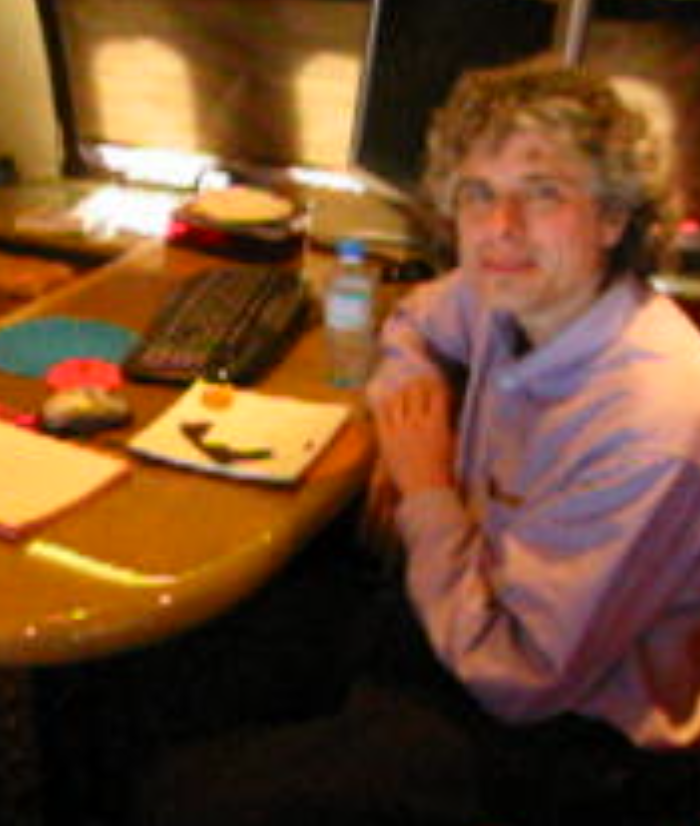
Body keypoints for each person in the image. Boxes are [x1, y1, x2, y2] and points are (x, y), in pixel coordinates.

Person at [134, 62, 700, 824]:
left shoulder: (652, 423)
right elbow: (410, 324)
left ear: (612, 218)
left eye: (543, 192)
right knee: (177, 671)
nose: (500, 226)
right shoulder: (510, 291)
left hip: (561, 734)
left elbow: (519, 677)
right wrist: (412, 411)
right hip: (460, 601)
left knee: (185, 798)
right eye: (477, 193)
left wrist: (425, 486)